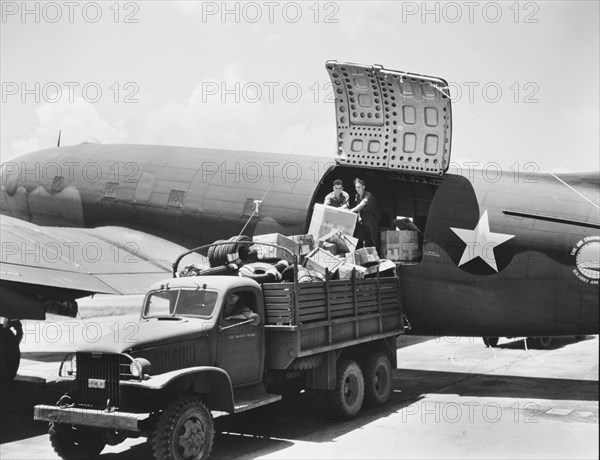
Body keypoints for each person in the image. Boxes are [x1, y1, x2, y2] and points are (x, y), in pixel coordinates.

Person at [349, 178, 380, 251]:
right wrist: (359, 216)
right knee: (366, 238)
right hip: (365, 219)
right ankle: (369, 256)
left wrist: (350, 211)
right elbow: (359, 206)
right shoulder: (357, 196)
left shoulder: (368, 195)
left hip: (373, 220)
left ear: (363, 187)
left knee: (374, 238)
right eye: (356, 187)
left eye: (359, 187)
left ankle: (377, 255)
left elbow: (361, 205)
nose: (357, 189)